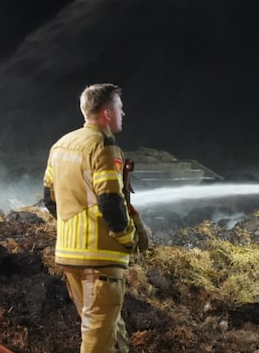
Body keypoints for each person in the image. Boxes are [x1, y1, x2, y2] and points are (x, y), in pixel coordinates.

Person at [43, 83, 148, 353]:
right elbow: (111, 203)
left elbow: (49, 199)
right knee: (97, 337)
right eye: (120, 108)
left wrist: (73, 230)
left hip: (70, 255)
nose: (124, 113)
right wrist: (128, 238)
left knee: (108, 329)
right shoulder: (103, 147)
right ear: (107, 114)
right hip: (99, 260)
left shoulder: (60, 145)